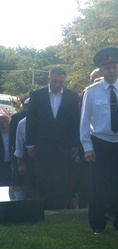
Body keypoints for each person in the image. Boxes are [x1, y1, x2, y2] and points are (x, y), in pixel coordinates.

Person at [80, 47, 118, 233]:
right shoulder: (92, 91)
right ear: (101, 70)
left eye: (115, 66)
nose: (112, 70)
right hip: (100, 142)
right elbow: (84, 121)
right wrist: (87, 147)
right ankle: (97, 224)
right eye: (107, 67)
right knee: (97, 184)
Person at [25, 67, 80, 209]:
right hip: (42, 145)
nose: (57, 84)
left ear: (64, 81)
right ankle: (42, 208)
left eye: (60, 82)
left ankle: (58, 208)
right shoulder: (37, 95)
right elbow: (30, 121)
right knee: (42, 177)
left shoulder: (72, 96)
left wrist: (75, 145)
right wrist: (30, 144)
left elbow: (76, 122)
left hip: (64, 146)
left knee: (61, 177)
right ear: (48, 79)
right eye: (54, 81)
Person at [0, 114, 11, 185]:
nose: (7, 123)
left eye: (8, 122)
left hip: (10, 163)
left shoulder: (12, 133)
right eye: (5, 121)